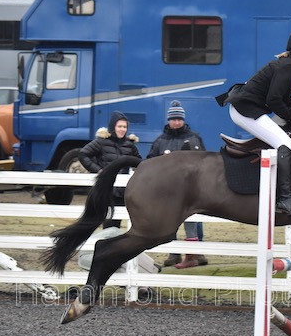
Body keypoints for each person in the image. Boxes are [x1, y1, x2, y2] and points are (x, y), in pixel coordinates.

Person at [224, 27, 291, 217]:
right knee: (285, 143)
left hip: (247, 108)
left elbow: (284, 98)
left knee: (284, 139)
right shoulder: (289, 67)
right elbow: (274, 101)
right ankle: (284, 199)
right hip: (245, 110)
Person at [147, 101, 208, 269]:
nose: (176, 122)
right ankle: (174, 253)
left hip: (192, 190)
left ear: (183, 120)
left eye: (179, 119)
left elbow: (204, 160)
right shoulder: (160, 141)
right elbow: (151, 162)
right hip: (168, 191)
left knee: (195, 220)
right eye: (173, 119)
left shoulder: (194, 137)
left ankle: (197, 252)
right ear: (168, 120)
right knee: (170, 221)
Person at [79, 110, 141, 226]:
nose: (122, 129)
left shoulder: (130, 145)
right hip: (107, 190)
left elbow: (139, 163)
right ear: (113, 127)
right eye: (119, 126)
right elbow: (83, 154)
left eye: (125, 127)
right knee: (107, 223)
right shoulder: (101, 142)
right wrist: (98, 170)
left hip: (123, 191)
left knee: (118, 222)